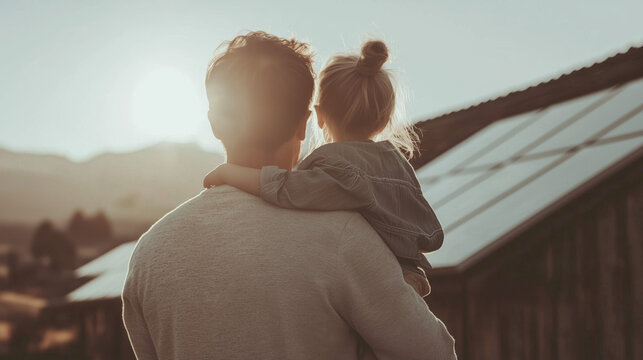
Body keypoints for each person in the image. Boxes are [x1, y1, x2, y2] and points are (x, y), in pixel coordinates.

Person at [122, 31, 457, 360]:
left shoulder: (150, 253)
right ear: (305, 124)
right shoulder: (342, 237)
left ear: (215, 123)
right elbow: (435, 353)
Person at [204, 40, 442, 298]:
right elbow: (430, 232)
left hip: (381, 282)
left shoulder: (332, 166)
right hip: (411, 272)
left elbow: (287, 188)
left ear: (317, 115)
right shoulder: (397, 164)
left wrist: (229, 172)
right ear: (386, 117)